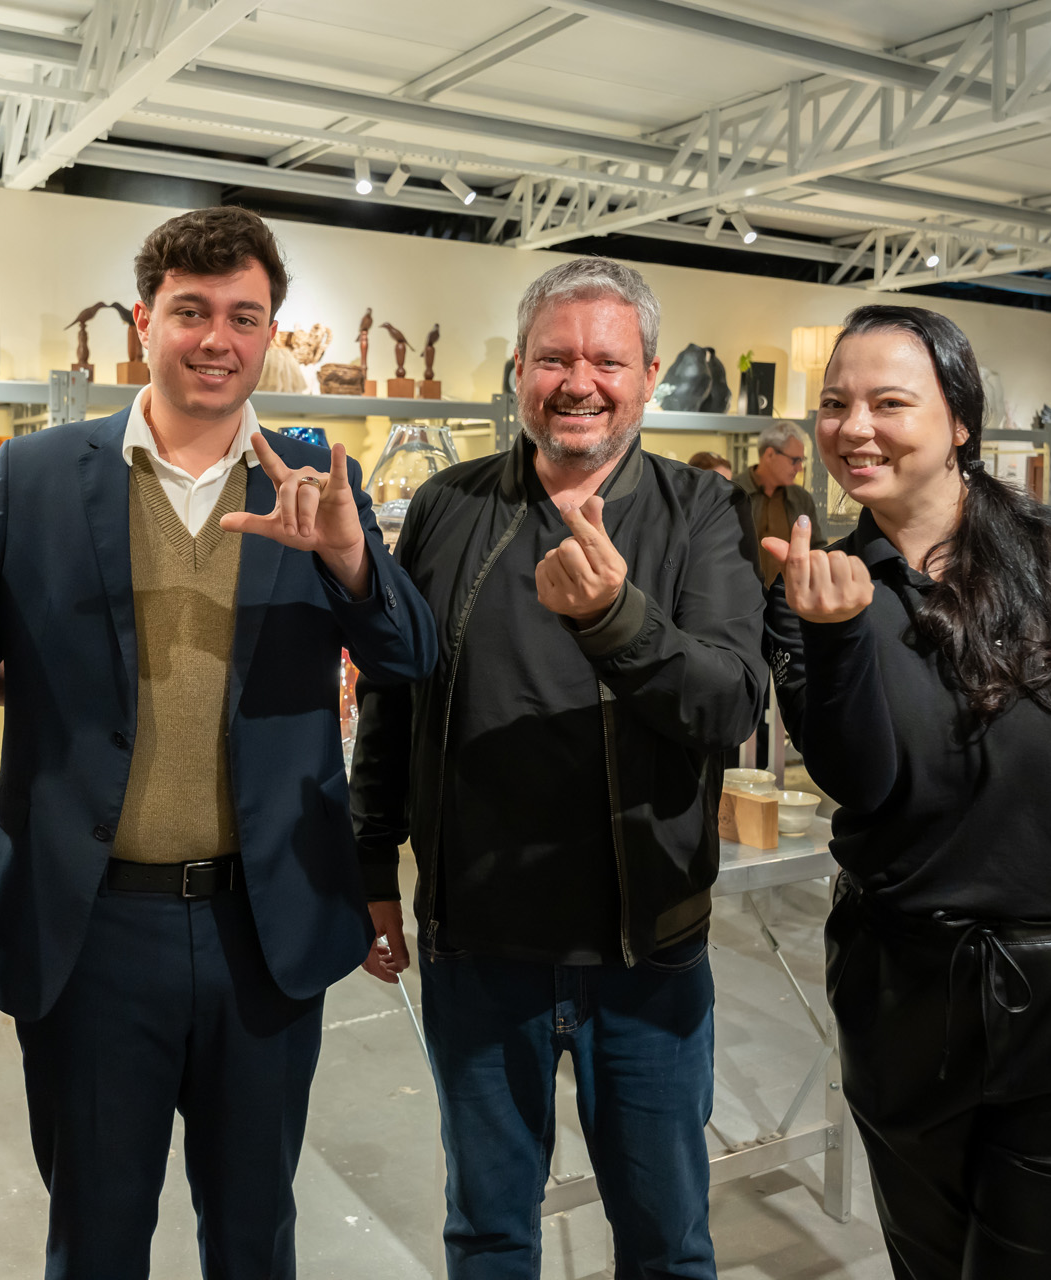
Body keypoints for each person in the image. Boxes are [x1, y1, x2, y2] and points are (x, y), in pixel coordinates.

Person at [0, 206, 436, 1280]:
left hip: (266, 926)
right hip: (93, 925)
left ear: (271, 334)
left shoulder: (314, 476)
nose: (216, 338)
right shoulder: (39, 473)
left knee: (254, 1233)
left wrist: (350, 557)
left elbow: (408, 656)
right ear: (145, 320)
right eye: (192, 311)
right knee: (97, 1234)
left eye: (244, 317)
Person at [763, 304, 1051, 1280]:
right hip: (904, 995)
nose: (854, 427)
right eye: (835, 403)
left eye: (889, 401)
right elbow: (867, 785)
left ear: (960, 420)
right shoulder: (816, 588)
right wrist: (840, 637)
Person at [351, 256, 766, 1280]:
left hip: (647, 954)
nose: (578, 381)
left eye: (606, 359)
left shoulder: (699, 514)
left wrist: (615, 618)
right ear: (519, 371)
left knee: (666, 1240)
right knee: (490, 1233)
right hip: (479, 949)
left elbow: (727, 699)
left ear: (650, 372)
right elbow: (397, 693)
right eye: (553, 357)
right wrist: (370, 864)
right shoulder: (449, 506)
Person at [736, 419, 826, 586]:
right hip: (741, 600)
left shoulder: (802, 499)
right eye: (795, 460)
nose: (799, 468)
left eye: (802, 460)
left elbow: (816, 547)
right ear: (769, 455)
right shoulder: (732, 493)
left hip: (788, 600)